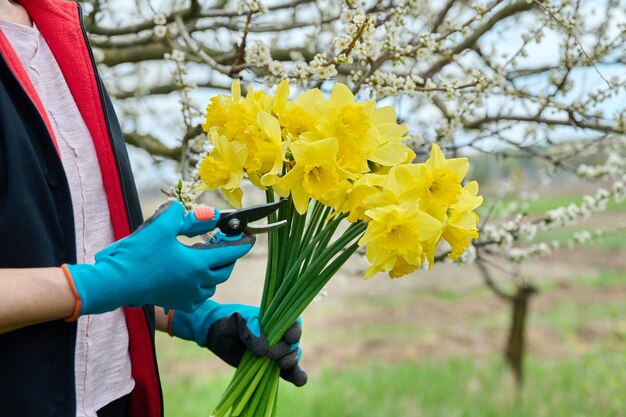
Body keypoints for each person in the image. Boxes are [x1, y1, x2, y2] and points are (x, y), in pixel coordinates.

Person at [0, 1, 305, 416]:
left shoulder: (57, 27)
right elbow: (103, 278)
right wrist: (106, 281)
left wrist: (197, 319)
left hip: (112, 401)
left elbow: (83, 250)